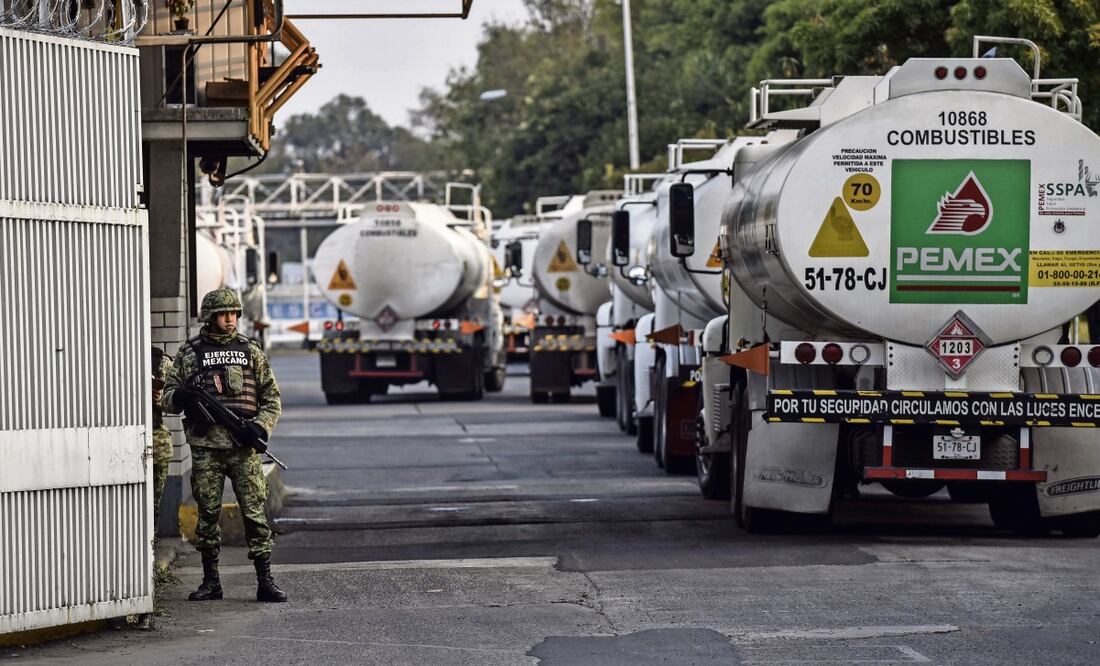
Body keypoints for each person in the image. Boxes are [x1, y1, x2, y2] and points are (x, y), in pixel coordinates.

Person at [162, 288, 287, 603]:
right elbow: (166, 397)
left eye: (234, 314)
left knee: (255, 515)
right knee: (207, 515)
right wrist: (182, 397)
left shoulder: (250, 351)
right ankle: (211, 581)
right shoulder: (190, 353)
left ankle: (265, 580)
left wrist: (260, 426)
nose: (230, 320)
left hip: (242, 449)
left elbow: (271, 397)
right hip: (205, 449)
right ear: (210, 317)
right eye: (224, 314)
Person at [151, 346, 173, 517]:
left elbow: (177, 397)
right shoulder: (117, 358)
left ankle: (152, 538)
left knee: (153, 504)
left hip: (156, 440)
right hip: (121, 436)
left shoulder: (160, 360)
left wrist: (159, 399)